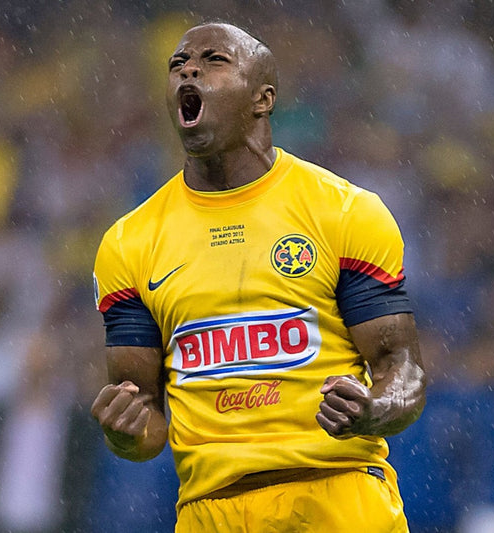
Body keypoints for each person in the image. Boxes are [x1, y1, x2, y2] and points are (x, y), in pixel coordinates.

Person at [91, 21, 426, 533]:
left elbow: (401, 369)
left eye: (213, 60)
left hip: (338, 494)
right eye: (178, 65)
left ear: (262, 99)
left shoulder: (344, 212)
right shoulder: (128, 243)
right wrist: (122, 433)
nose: (189, 70)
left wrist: (375, 408)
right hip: (210, 511)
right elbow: (148, 426)